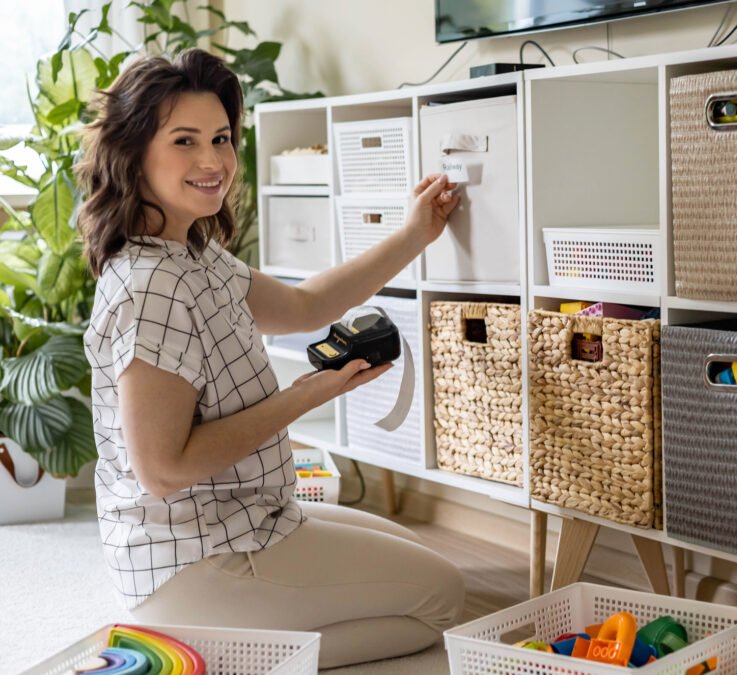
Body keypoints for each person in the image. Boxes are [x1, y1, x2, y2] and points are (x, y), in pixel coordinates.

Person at [78, 48, 464, 669]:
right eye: (184, 141)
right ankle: (229, 655)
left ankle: (229, 636)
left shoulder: (192, 254)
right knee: (442, 597)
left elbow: (310, 304)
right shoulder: (150, 285)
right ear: (134, 151)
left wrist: (414, 232)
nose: (212, 161)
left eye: (221, 138)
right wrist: (307, 394)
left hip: (241, 520)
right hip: (193, 559)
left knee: (414, 554)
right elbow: (163, 472)